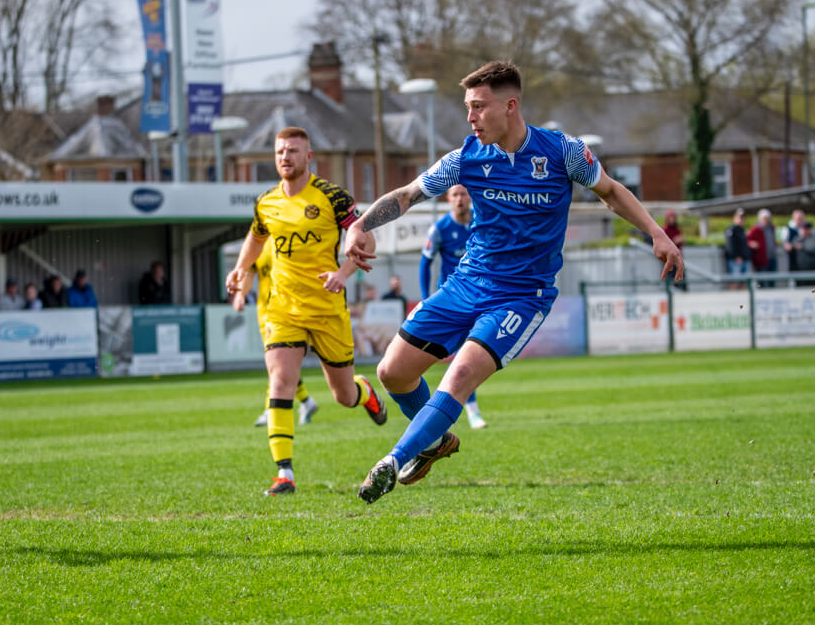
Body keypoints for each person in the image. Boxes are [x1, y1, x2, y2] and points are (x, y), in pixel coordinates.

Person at [343, 60, 683, 504]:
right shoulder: (466, 157)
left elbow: (612, 192)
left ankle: (392, 460)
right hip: (467, 283)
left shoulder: (564, 152)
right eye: (468, 107)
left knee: (460, 375)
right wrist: (359, 225)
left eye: (478, 107)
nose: (470, 117)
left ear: (510, 106)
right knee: (392, 372)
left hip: (522, 296)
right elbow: (407, 194)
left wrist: (656, 233)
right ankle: (434, 443)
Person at [223, 126, 389, 496]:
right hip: (283, 308)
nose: (286, 157)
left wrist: (344, 273)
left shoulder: (332, 196)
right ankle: (284, 474)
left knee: (343, 396)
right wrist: (240, 268)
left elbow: (366, 236)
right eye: (281, 151)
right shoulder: (266, 202)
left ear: (308, 156)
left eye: (293, 151)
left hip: (328, 310)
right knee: (280, 382)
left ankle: (366, 393)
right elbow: (255, 236)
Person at [419, 183, 488, 429]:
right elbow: (425, 264)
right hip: (451, 300)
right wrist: (425, 297)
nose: (460, 199)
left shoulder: (482, 221)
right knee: (428, 357)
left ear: (470, 197)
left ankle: (472, 412)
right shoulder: (439, 229)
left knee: (465, 357)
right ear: (448, 199)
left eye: (464, 194)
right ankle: (424, 406)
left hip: (481, 297)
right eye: (455, 194)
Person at [231, 241, 320, 428]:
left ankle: (271, 409)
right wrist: (241, 295)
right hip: (264, 313)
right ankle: (306, 401)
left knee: (278, 364)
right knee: (280, 366)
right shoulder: (258, 241)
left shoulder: (289, 235)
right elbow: (249, 272)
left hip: (286, 313)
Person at [746, 208, 777, 285]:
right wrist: (751, 243)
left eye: (767, 218)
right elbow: (746, 240)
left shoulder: (771, 228)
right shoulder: (755, 229)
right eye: (764, 218)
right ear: (759, 219)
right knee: (761, 282)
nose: (766, 220)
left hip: (771, 258)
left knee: (772, 281)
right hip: (761, 260)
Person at [723, 208, 751, 287]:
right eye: (740, 217)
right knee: (734, 281)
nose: (742, 219)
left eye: (743, 217)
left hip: (744, 259)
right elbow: (730, 245)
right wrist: (736, 257)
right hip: (735, 261)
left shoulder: (742, 230)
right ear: (734, 218)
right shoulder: (731, 229)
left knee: (745, 283)